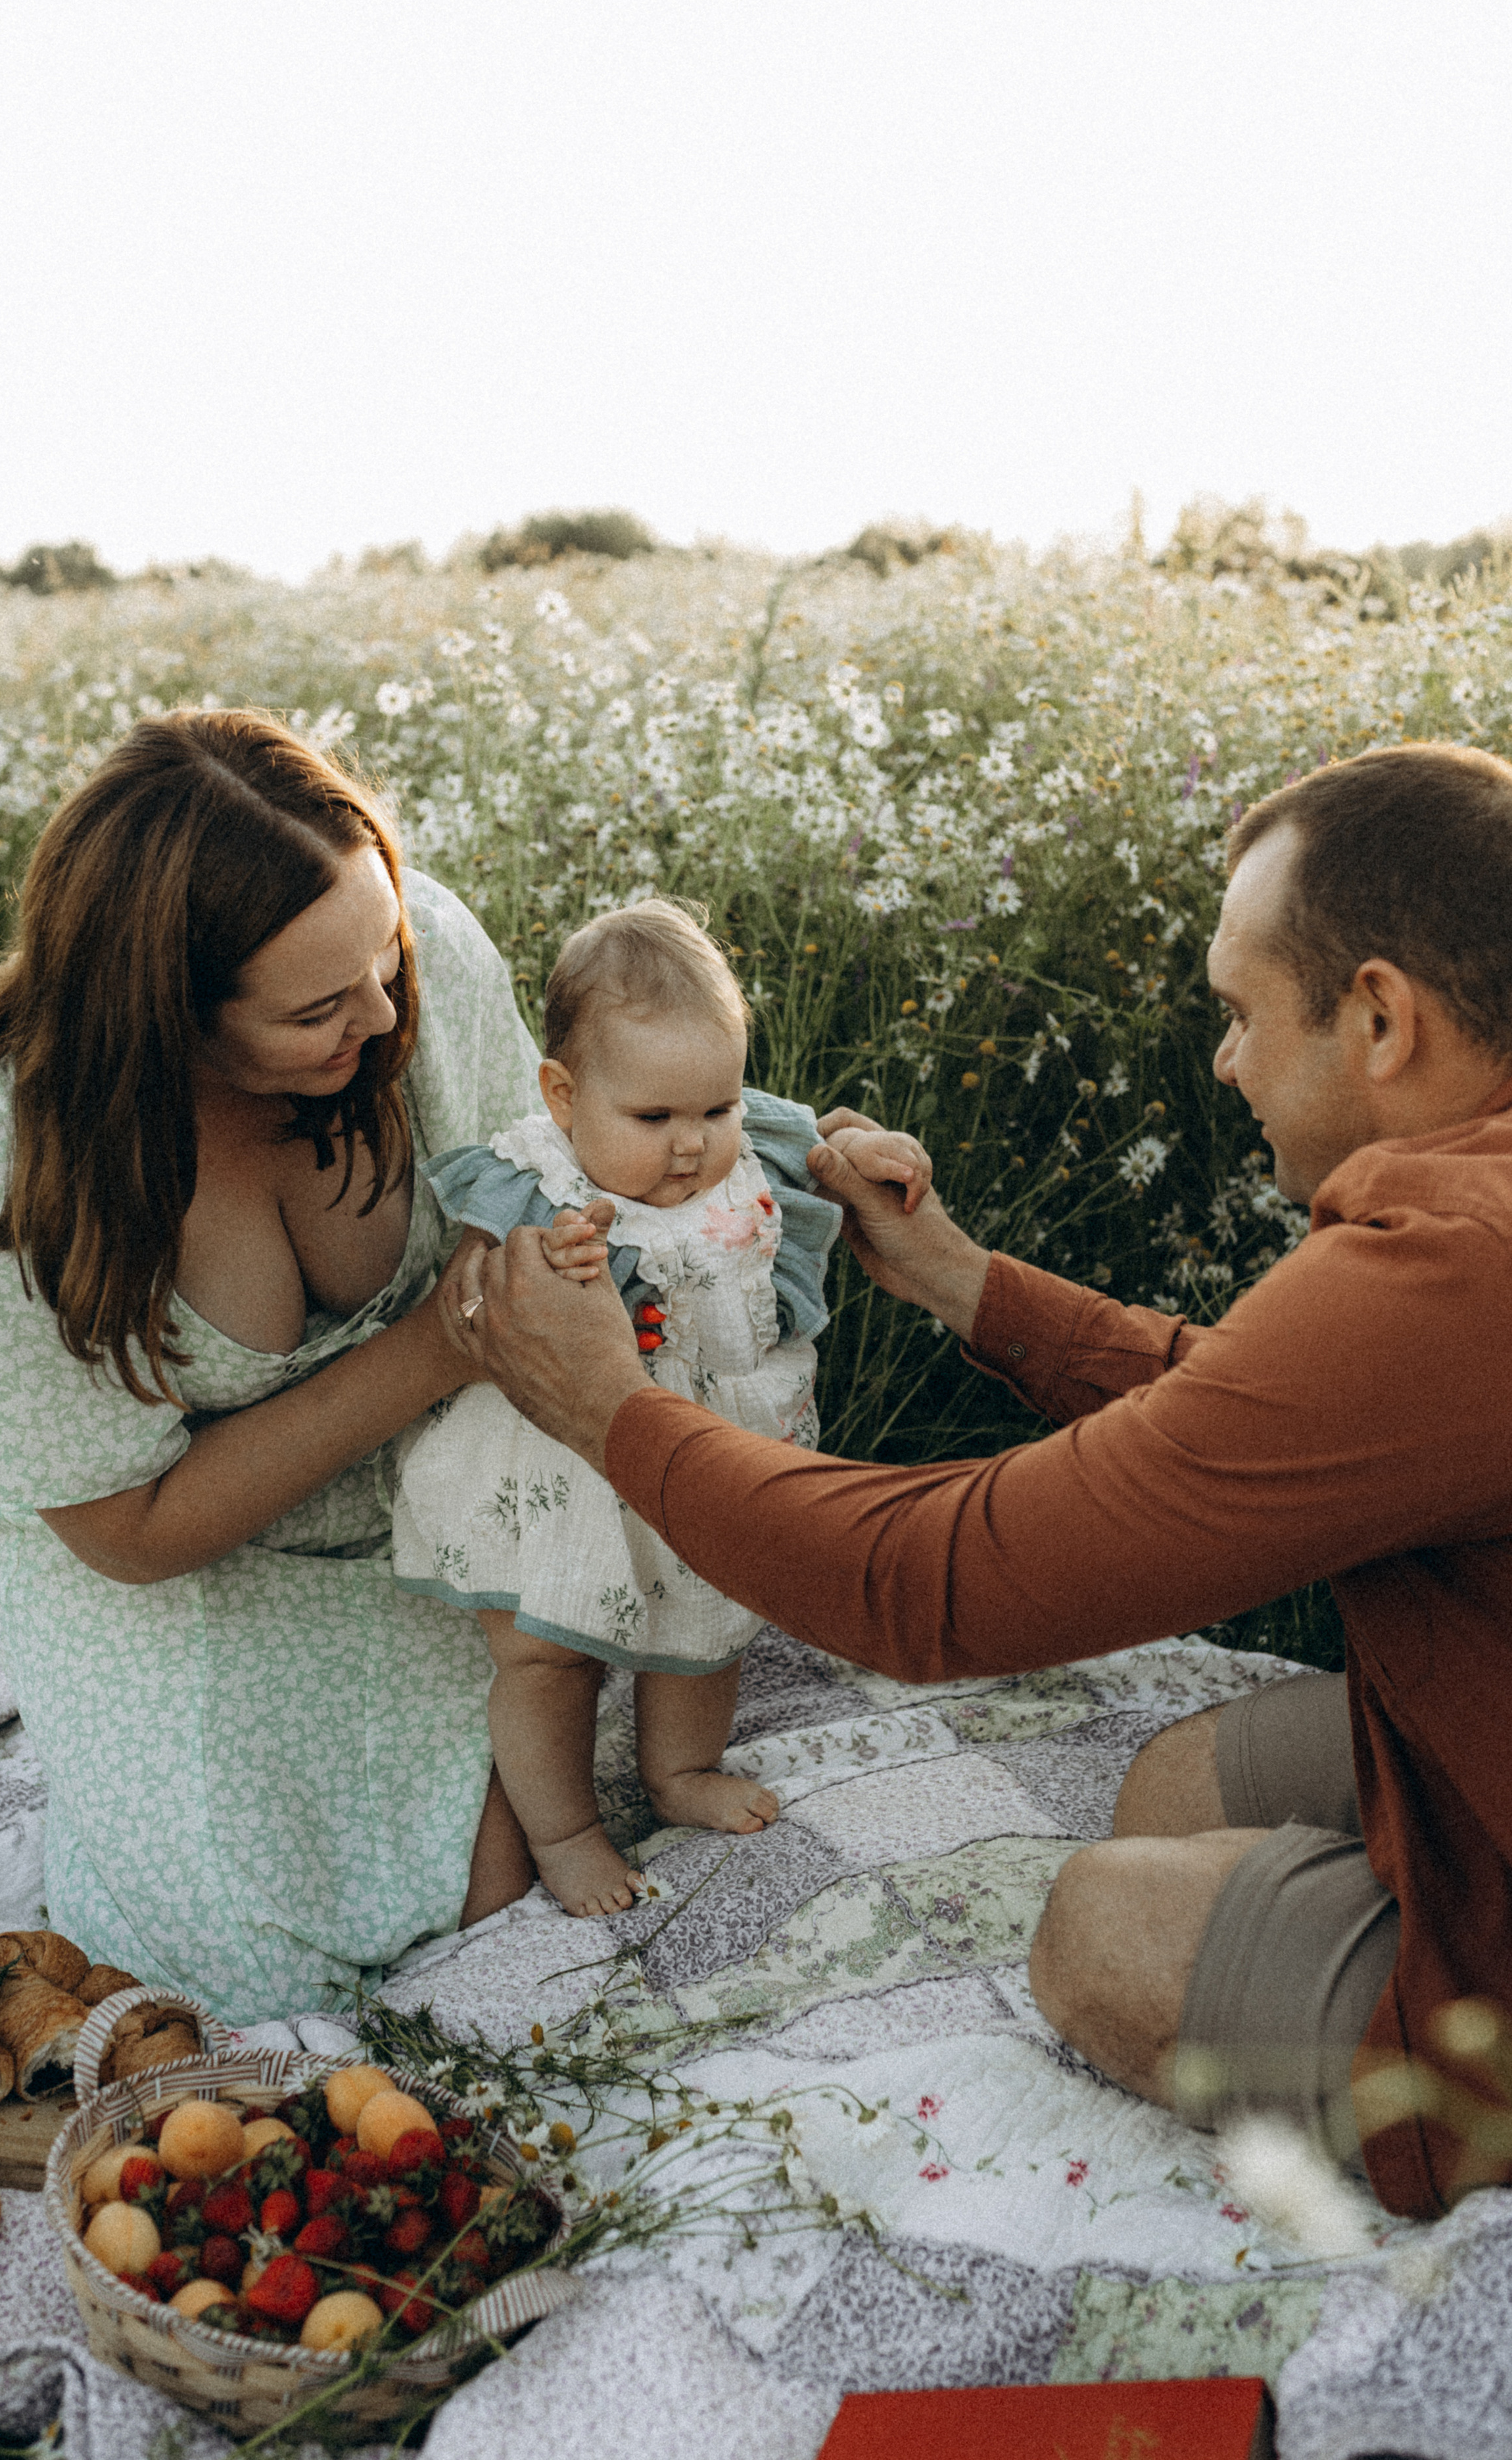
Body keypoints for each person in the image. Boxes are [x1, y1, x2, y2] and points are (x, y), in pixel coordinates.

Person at [442, 741, 1512, 2221]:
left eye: (1237, 1012)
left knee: (1097, 1936)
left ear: (1379, 1016)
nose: (1222, 1061)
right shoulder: (1466, 1228)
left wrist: (611, 1412)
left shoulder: (1461, 1269)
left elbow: (940, 1586)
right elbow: (1262, 1414)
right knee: (1166, 1787)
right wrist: (959, 1280)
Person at [0, 709, 546, 2024]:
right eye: (316, 1008)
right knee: (251, 1959)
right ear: (166, 1020)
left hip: (444, 1498)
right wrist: (428, 1349)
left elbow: (529, 1188)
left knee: (529, 1866)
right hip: (172, 1571)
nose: (379, 1010)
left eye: (387, 958)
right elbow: (125, 1532)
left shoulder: (410, 964)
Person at [390, 901, 919, 1918]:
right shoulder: (530, 1184)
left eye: (714, 1111)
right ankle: (565, 1830)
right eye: (655, 1120)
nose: (693, 1146)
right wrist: (536, 1267)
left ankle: (680, 1774)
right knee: (546, 1658)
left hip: (701, 1455)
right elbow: (466, 1305)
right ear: (563, 1094)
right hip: (557, 1478)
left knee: (708, 1620)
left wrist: (885, 1156)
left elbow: (835, 1149)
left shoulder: (752, 1149)